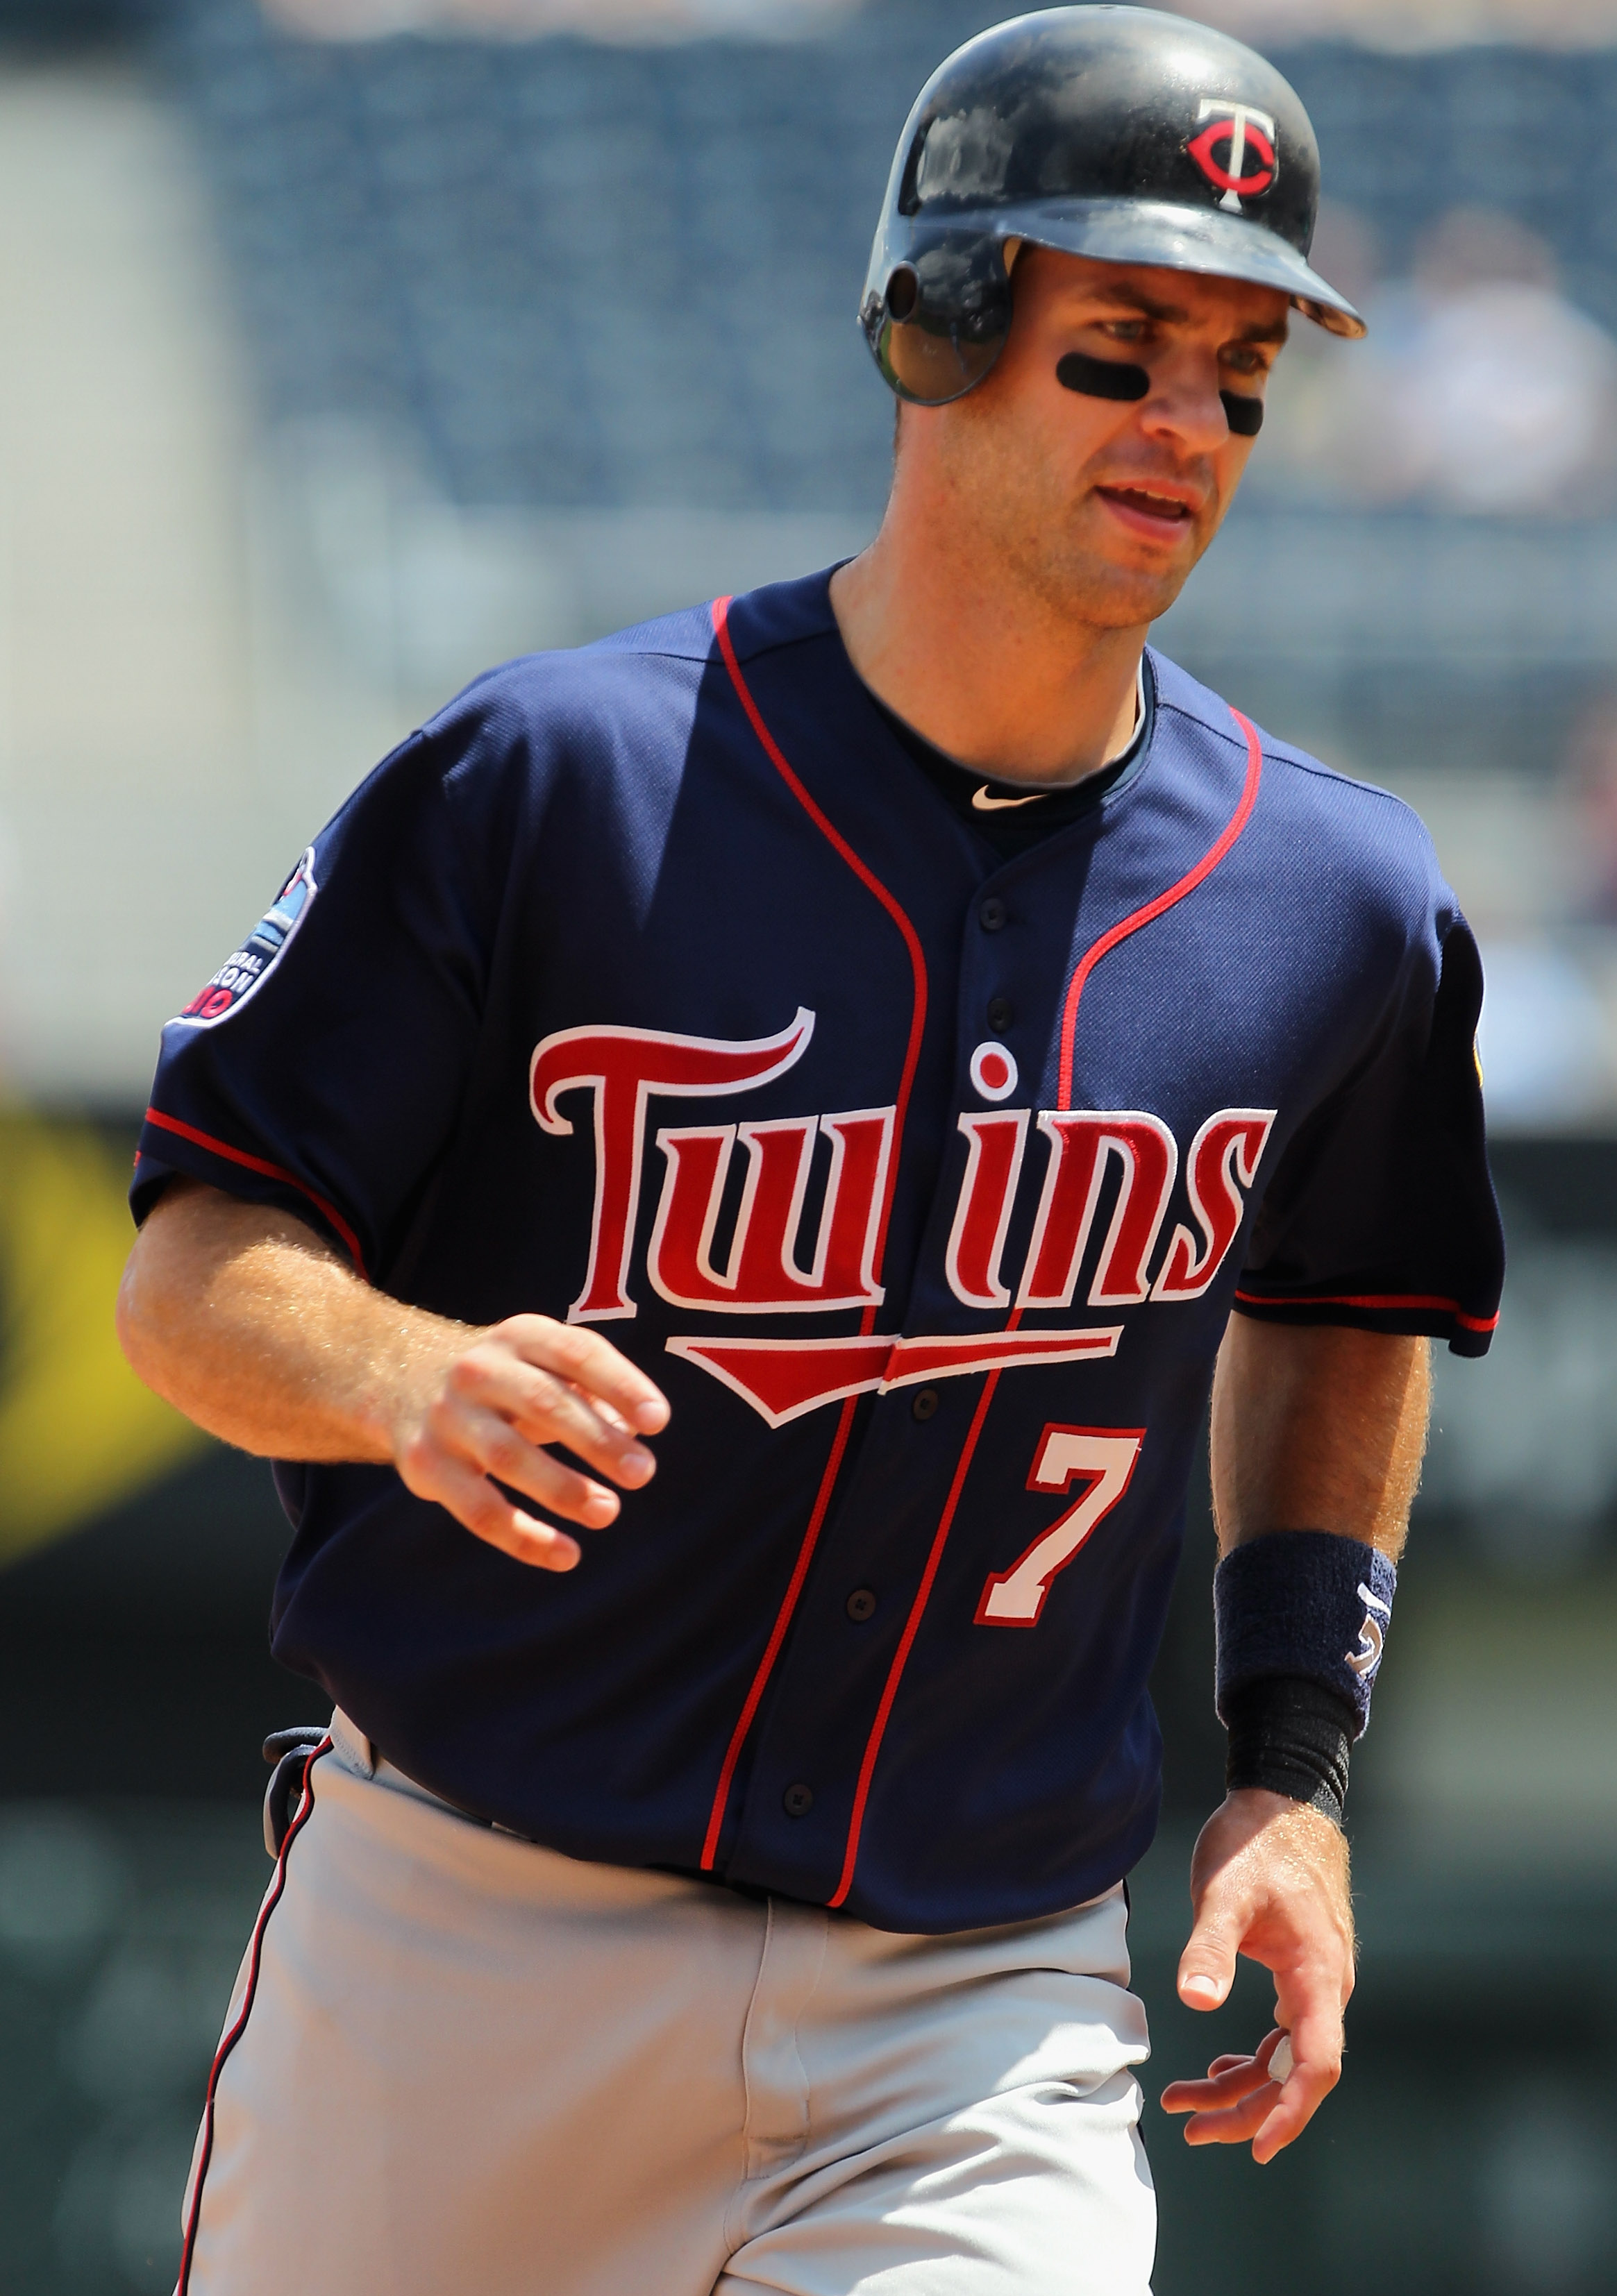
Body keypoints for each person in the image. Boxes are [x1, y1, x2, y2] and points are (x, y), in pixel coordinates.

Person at [117, 10, 1504, 2293]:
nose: (1187, 422)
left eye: (1239, 372)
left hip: (973, 1998)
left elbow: (1345, 1310)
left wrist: (1293, 1762)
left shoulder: (1327, 894)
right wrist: (394, 1376)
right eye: (1122, 346)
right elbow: (192, 1266)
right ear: (935, 322)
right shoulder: (555, 775)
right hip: (467, 1927)